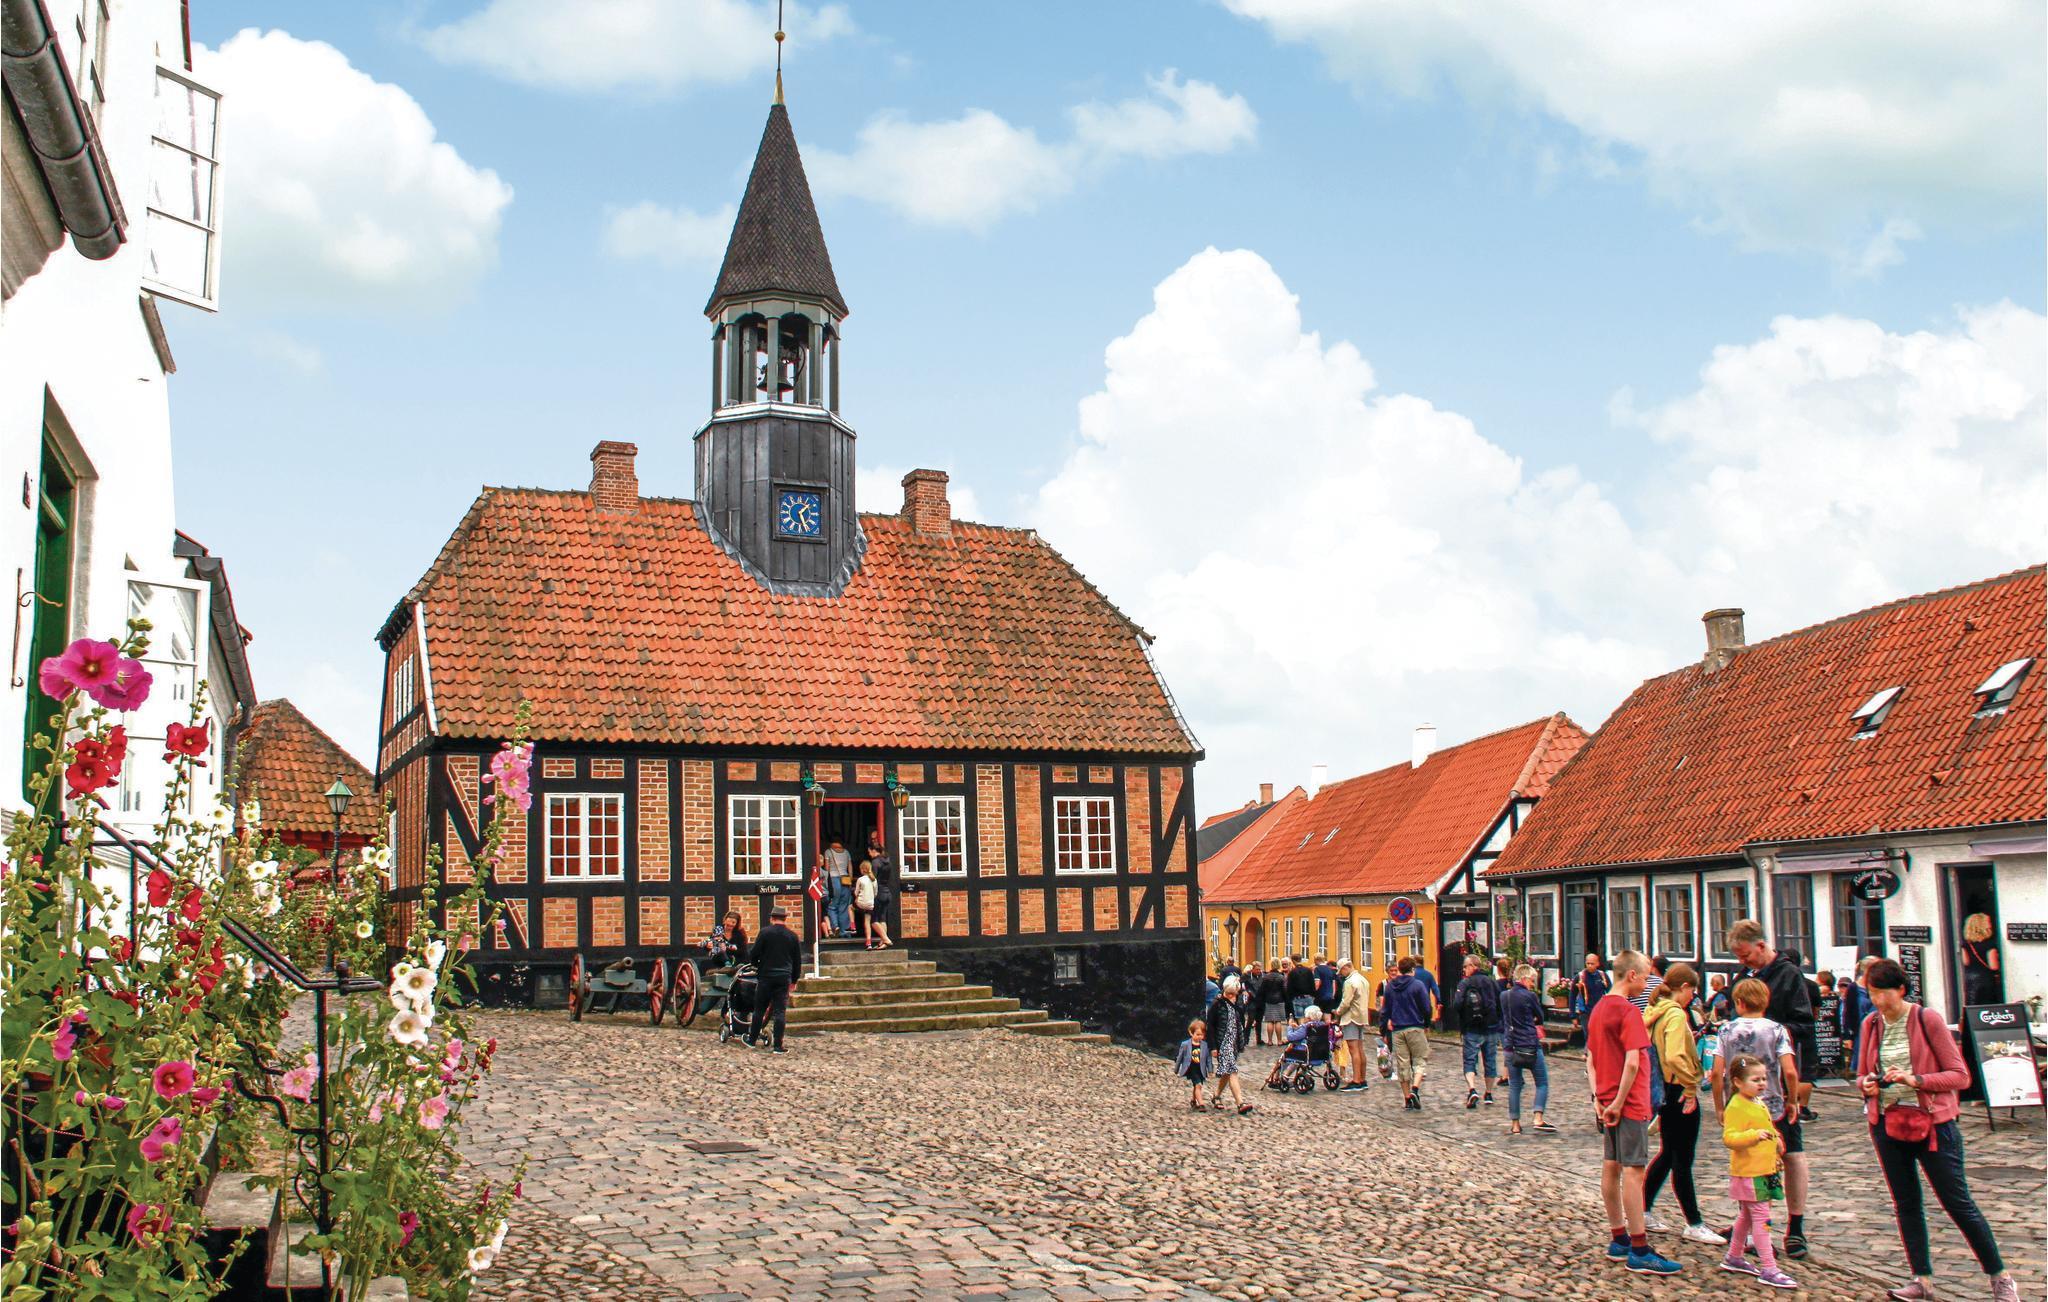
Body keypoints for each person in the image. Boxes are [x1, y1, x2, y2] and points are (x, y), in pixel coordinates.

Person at [1856, 958, 2020, 1302]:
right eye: (1871, 993)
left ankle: (2000, 1278)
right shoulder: (1871, 1023)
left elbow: (1960, 1076)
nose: (1877, 1000)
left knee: (1957, 1202)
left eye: (1883, 993)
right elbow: (1860, 1074)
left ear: (1901, 989)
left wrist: (1916, 1080)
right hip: (1887, 1122)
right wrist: (1867, 1084)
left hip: (1932, 1124)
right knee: (1906, 1203)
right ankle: (1922, 1279)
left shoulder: (1925, 1019)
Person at [1586, 950, 1681, 1277]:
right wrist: (1619, 1101)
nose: (1648, 983)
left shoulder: (1599, 1009)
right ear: (1632, 976)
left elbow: (1591, 1059)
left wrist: (1599, 1098)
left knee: (1611, 1166)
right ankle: (1639, 1249)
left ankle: (1619, 1238)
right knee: (1633, 1171)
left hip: (1608, 1098)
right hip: (1628, 1102)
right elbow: (1632, 1062)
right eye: (1645, 977)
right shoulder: (1628, 1012)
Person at [1728, 919, 1813, 1259]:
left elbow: (1804, 1025)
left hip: (1775, 1083)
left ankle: (1796, 1227)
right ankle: (1749, 1224)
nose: (1742, 962)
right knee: (1747, 1154)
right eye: (1739, 958)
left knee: (1790, 1152)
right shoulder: (1744, 976)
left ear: (1762, 946)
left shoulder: (1788, 975)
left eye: (1746, 955)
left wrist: (1765, 1031)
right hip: (1745, 1089)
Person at [1713, 978, 1798, 1259]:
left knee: (1745, 1166)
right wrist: (1793, 1099)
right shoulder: (1776, 1030)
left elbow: (1716, 1073)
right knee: (1767, 1167)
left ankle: (1749, 1228)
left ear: (1738, 1003)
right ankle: (1759, 1230)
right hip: (1770, 1106)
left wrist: (1720, 1106)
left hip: (1738, 1106)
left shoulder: (1726, 1030)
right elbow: (1790, 1071)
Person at [1641, 963, 1723, 1246]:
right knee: (1682, 1159)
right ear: (1685, 987)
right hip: (1678, 1088)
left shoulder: (1656, 1010)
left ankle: (1643, 1210)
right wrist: (1690, 1086)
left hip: (1664, 1089)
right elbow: (1675, 1056)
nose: (1692, 997)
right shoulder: (1675, 1014)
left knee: (1667, 1154)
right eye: (1692, 991)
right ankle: (1693, 1222)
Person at [1722, 1054, 1799, 1289]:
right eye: (1755, 1080)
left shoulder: (1757, 1102)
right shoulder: (1736, 1106)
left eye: (1763, 1079)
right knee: (1761, 1219)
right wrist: (1753, 1136)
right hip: (1750, 1172)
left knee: (1746, 1217)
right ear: (1738, 1082)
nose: (1762, 1083)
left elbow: (1766, 1126)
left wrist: (1776, 1139)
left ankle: (1734, 1256)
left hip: (1763, 1169)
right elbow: (1730, 1138)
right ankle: (1769, 1267)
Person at [1502, 963, 1553, 1136]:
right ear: (1524, 979)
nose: (1533, 984)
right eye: (1532, 980)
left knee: (1515, 1085)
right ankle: (1538, 1117)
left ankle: (1515, 1124)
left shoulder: (1504, 996)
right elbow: (1540, 1017)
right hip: (1529, 1045)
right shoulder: (1529, 996)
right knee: (1542, 1082)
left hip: (1510, 1046)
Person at [743, 906, 803, 1053]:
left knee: (759, 1009)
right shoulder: (792, 936)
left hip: (766, 975)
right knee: (779, 1012)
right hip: (784, 977)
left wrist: (757, 965)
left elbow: (754, 953)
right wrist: (794, 980)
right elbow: (797, 961)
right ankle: (778, 1046)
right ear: (785, 918)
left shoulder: (765, 933)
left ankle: (752, 1040)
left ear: (772, 918)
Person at [1380, 955, 1434, 1110]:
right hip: (1415, 1027)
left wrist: (1383, 1030)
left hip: (1398, 1030)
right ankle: (1415, 1090)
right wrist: (1427, 1023)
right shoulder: (1417, 985)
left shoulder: (1391, 986)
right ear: (1412, 969)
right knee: (1419, 1060)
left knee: (1402, 1064)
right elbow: (1426, 1007)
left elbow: (1385, 1010)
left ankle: (1406, 1097)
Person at [1453, 954, 1502, 1108]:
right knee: (1490, 1061)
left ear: (1473, 966)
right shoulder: (1492, 982)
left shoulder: (1465, 983)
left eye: (1465, 967)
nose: (1464, 970)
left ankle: (1472, 1089)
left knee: (1470, 1060)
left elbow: (1457, 1004)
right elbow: (1500, 1003)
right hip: (1491, 1028)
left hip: (1472, 1028)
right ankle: (1488, 1093)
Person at [1203, 974, 1254, 1115]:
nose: (1232, 996)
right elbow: (1210, 1026)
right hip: (1222, 1043)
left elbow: (1239, 1022)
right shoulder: (1217, 1004)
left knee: (1226, 1072)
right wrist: (1213, 1047)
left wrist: (1241, 1042)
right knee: (1232, 1071)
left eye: (1234, 993)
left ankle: (1216, 1096)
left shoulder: (1237, 1003)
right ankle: (1240, 1103)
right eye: (1229, 993)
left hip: (1233, 1043)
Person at [1333, 958, 1373, 1091]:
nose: (1341, 975)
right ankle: (1362, 1078)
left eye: (1341, 972)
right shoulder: (1363, 979)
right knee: (1360, 1049)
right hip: (1361, 1016)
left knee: (1353, 1049)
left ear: (1345, 968)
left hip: (1351, 1017)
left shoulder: (1349, 982)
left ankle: (1356, 1080)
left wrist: (1337, 1012)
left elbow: (1346, 1002)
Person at [1960, 913, 2002, 1007]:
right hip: (1986, 980)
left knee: (1973, 1006)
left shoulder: (1965, 945)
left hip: (1970, 979)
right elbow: (1994, 966)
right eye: (1988, 923)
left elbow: (1966, 962)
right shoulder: (1990, 945)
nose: (1990, 925)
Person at [695, 909, 749, 977]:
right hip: (720, 960)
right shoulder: (718, 931)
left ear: (736, 924)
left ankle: (731, 969)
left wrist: (728, 948)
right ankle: (725, 969)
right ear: (725, 921)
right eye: (728, 924)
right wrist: (708, 946)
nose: (730, 926)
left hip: (736, 959)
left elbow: (743, 951)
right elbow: (710, 943)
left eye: (733, 924)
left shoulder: (740, 933)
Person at [1174, 1019, 1211, 1111]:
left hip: (1201, 1069)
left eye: (1202, 1035)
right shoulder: (1185, 1044)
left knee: (1196, 1085)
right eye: (1197, 1034)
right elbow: (1180, 1057)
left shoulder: (1205, 1045)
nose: (1200, 1037)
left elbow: (1208, 1059)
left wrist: (1210, 1070)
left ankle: (1193, 1100)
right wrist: (1176, 1069)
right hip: (1191, 1069)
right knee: (1198, 1085)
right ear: (1191, 1033)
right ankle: (1201, 1104)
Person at [823, 838, 853, 937]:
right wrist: (850, 880)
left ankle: (835, 926)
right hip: (845, 879)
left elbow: (827, 868)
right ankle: (844, 931)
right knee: (844, 906)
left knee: (832, 905)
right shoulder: (846, 852)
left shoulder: (828, 852)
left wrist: (826, 883)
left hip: (833, 879)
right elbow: (850, 867)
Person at [1573, 952, 1609, 1032]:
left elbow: (1610, 992)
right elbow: (1572, 996)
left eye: (1592, 964)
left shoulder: (1602, 976)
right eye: (1588, 963)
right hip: (1585, 1012)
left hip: (1600, 1010)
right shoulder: (1580, 977)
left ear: (1597, 964)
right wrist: (1573, 1016)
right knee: (1588, 1035)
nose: (1589, 966)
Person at [1259, 962, 1288, 1046]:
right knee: (1278, 1021)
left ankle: (1270, 1041)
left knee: (1270, 1021)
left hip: (1269, 1000)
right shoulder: (1281, 977)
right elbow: (1284, 990)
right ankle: (1279, 1041)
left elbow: (1262, 990)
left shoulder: (1266, 977)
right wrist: (1286, 999)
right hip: (1279, 1000)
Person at [1286, 954, 1317, 1020]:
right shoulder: (1308, 971)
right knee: (1309, 1018)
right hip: (1308, 997)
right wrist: (1313, 995)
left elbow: (1289, 987)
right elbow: (1312, 984)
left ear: (1293, 961)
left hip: (1297, 998)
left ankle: (1301, 1027)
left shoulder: (1292, 972)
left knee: (1300, 1018)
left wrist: (1290, 998)